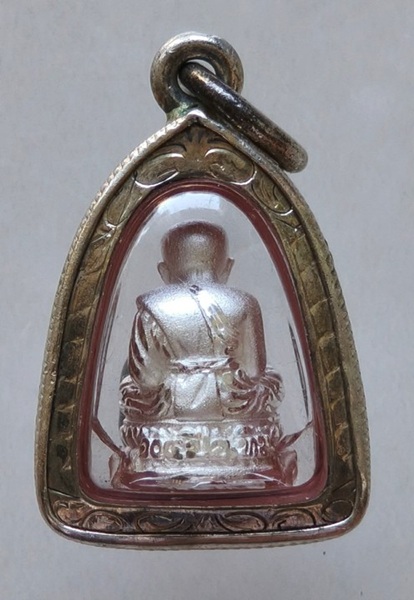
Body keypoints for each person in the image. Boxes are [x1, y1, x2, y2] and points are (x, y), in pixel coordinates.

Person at [110, 221, 297, 490]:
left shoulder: (151, 308)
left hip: (164, 434)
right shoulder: (245, 304)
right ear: (228, 267)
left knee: (130, 386)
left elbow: (146, 379)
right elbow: (254, 371)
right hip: (237, 430)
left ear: (164, 271)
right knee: (269, 380)